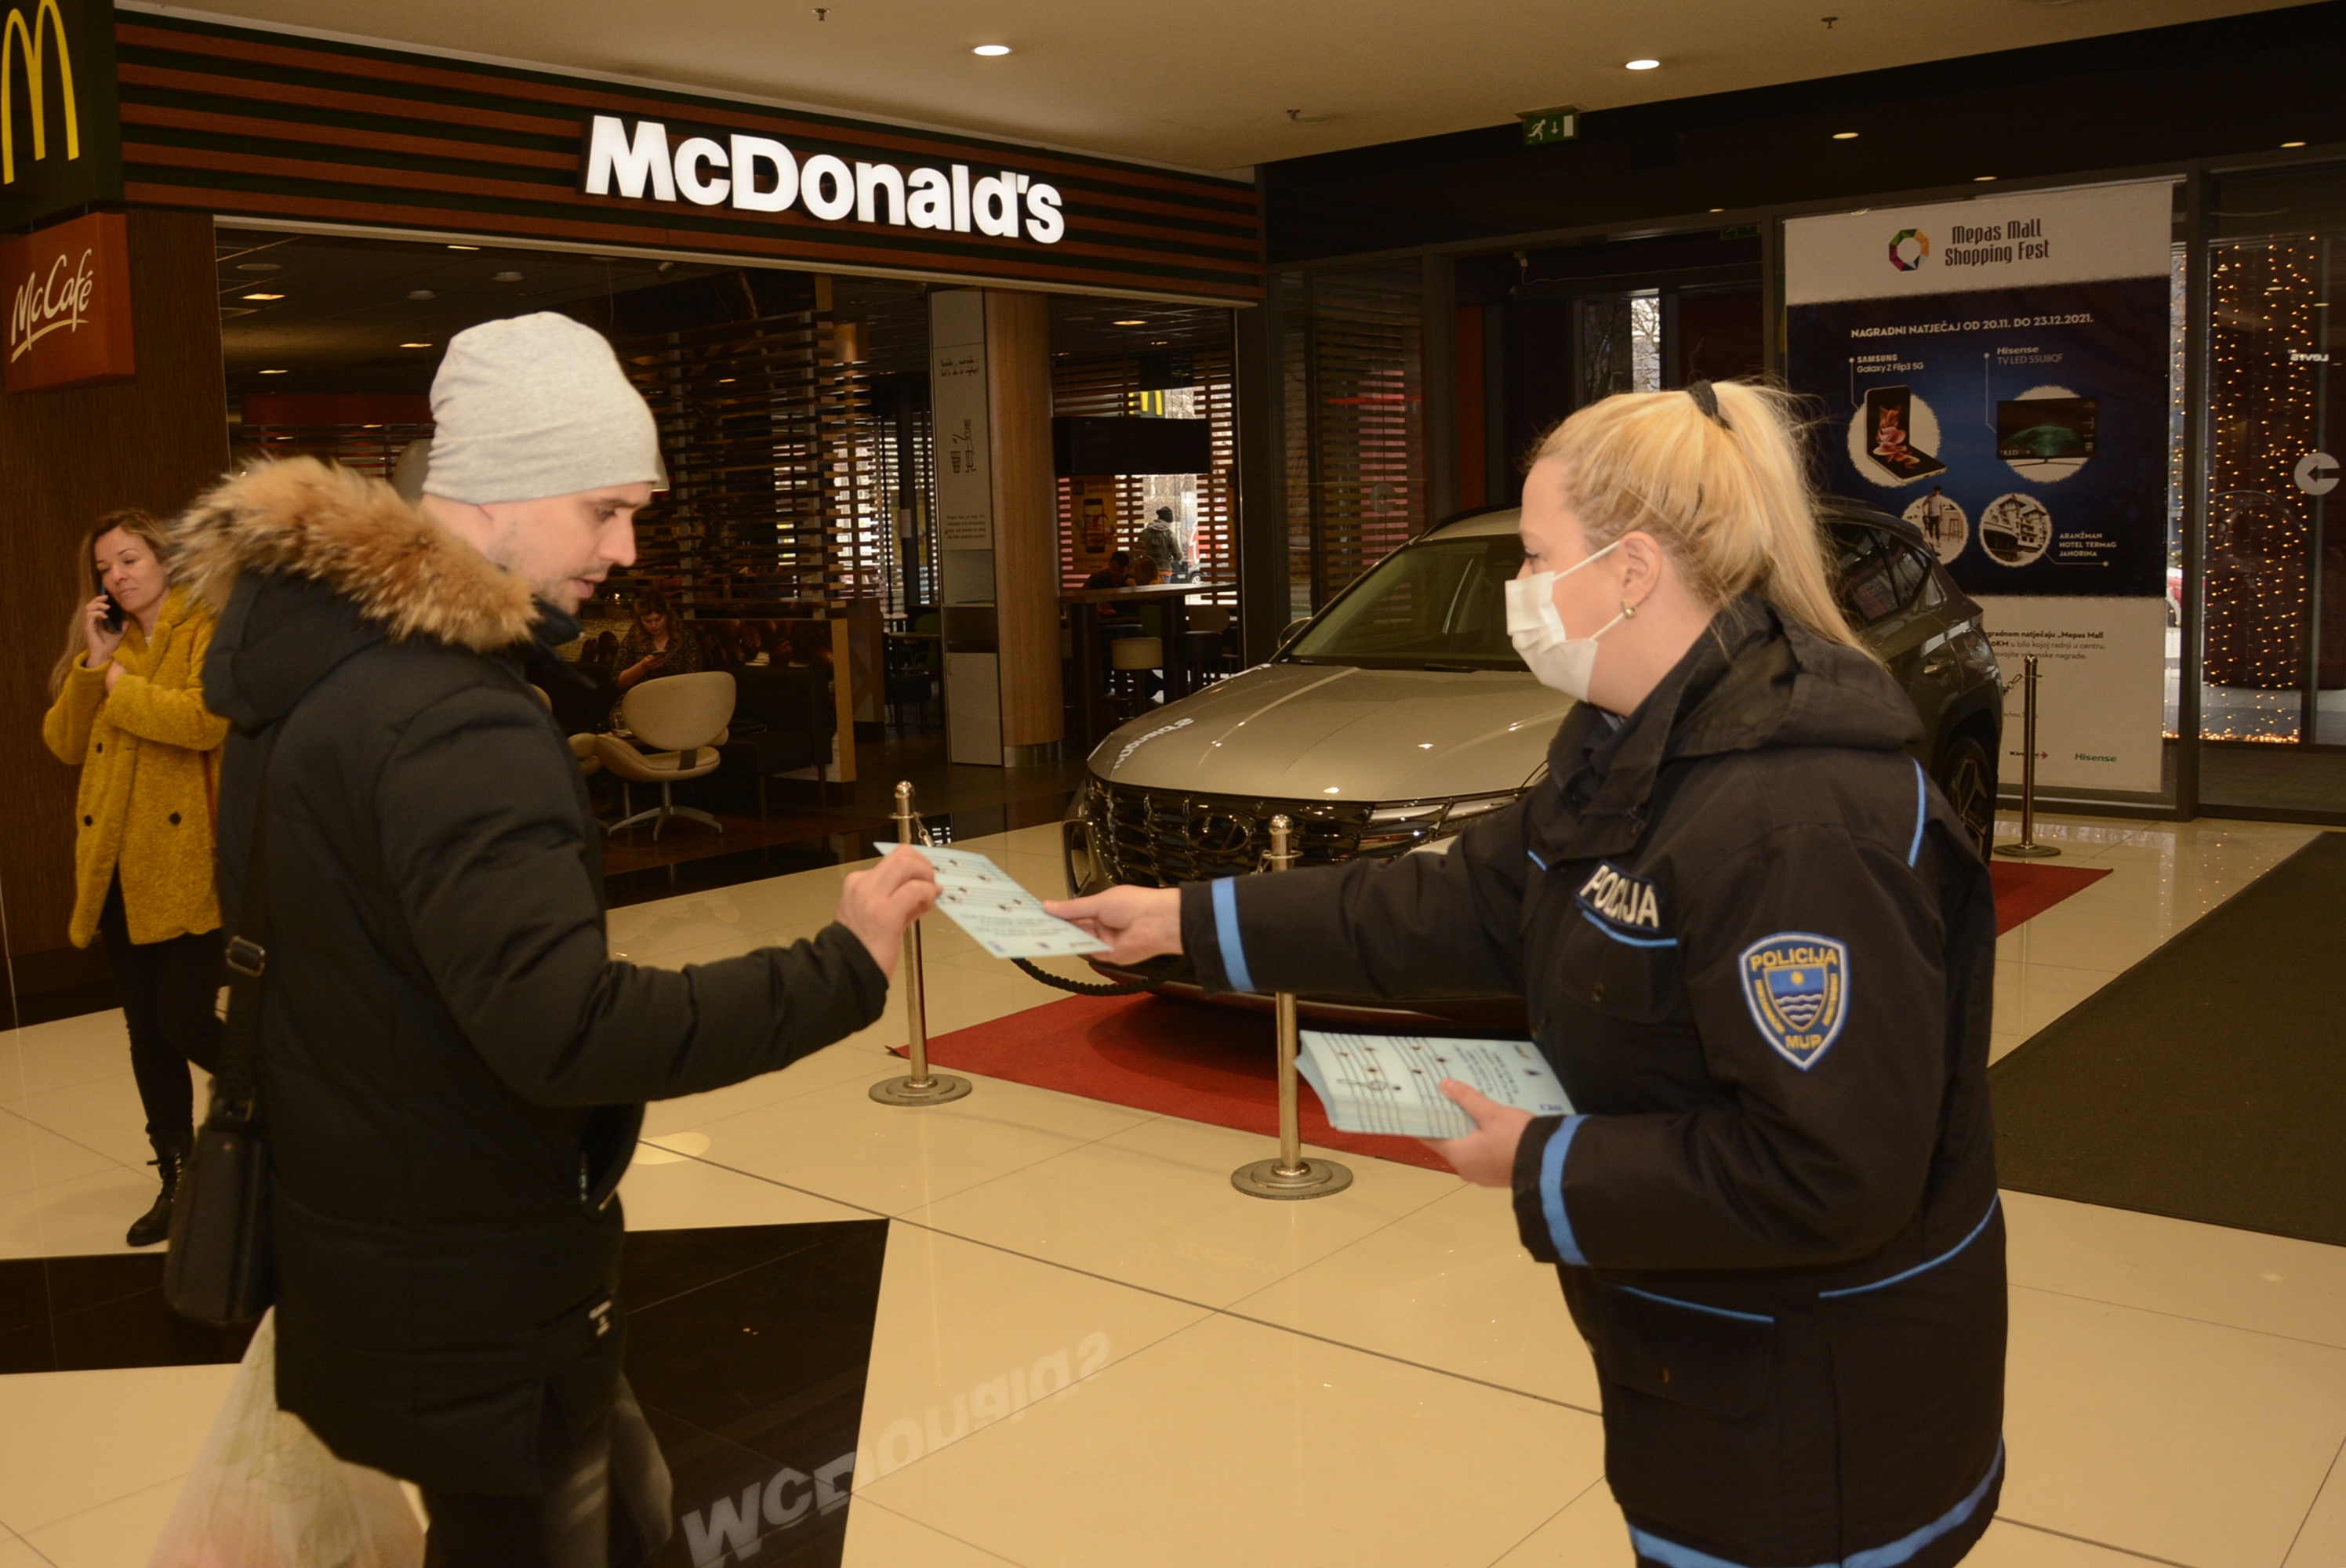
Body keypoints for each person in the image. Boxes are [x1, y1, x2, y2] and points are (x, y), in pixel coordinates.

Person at [1050, 379, 2005, 1568]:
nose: (1521, 591)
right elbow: (1455, 902)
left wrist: (1542, 1159)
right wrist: (1188, 920)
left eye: (1538, 555)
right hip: (1708, 1370)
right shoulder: (1627, 739)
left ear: (1634, 572)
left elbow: (1828, 1171)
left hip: (1819, 1427)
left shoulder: (1796, 820)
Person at [174, 312, 937, 1568]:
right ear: (502, 493)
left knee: (607, 1505)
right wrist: (839, 967)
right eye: (605, 508)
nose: (626, 549)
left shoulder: (308, 674)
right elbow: (565, 1029)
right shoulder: (454, 719)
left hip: (376, 1235)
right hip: (469, 1266)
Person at [39, 510, 230, 1247]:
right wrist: (93, 665)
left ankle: (281, 1094)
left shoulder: (203, 626)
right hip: (115, 867)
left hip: (187, 865)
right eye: (105, 568)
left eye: (128, 559)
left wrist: (120, 680)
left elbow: (204, 721)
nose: (116, 575)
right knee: (146, 1032)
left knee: (183, 1019)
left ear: (165, 558)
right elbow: (62, 744)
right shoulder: (103, 646)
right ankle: (177, 1178)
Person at [609, 586, 703, 722]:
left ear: (666, 615)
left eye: (658, 619)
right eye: (647, 621)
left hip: (677, 700)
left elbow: (694, 679)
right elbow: (618, 682)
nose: (653, 626)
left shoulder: (685, 637)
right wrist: (643, 667)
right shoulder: (634, 637)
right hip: (640, 700)